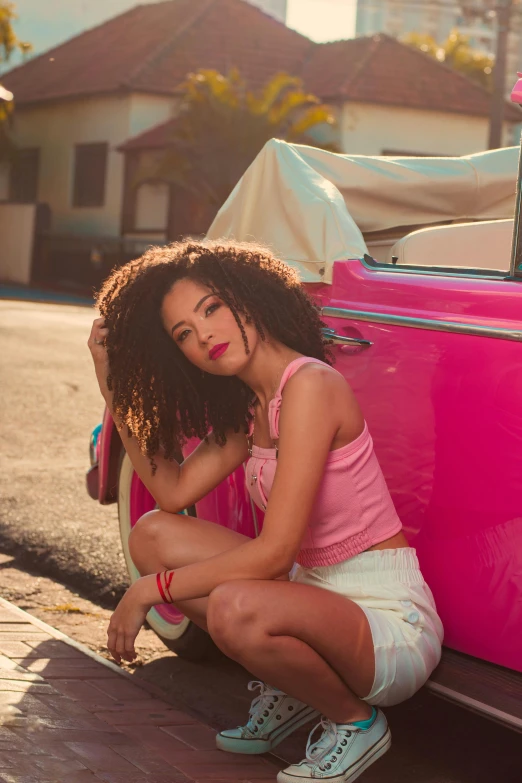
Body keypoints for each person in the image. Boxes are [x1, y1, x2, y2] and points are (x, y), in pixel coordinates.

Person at [88, 240, 443, 783]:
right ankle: (295, 686)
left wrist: (148, 591)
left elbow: (275, 555)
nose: (203, 334)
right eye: (184, 332)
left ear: (248, 297)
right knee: (153, 537)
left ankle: (356, 721)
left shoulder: (311, 387)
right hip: (314, 595)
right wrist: (110, 376)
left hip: (387, 623)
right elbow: (172, 491)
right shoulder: (253, 408)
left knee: (234, 606)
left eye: (211, 308)